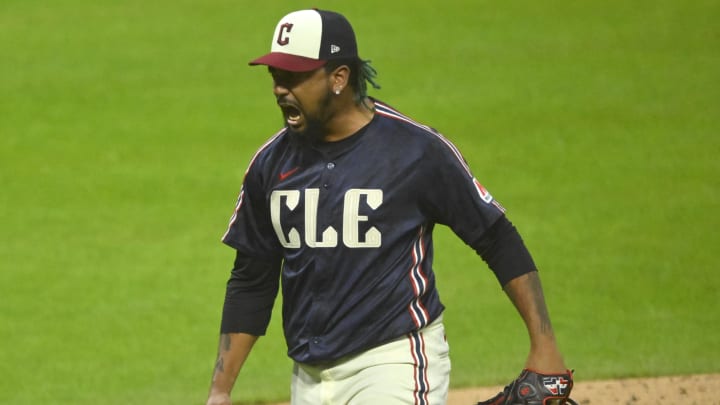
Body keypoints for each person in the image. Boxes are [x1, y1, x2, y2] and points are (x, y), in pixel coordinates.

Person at [206, 8, 571, 405]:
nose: (280, 89)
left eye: (294, 77)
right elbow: (252, 279)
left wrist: (544, 346)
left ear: (338, 78)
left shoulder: (414, 152)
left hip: (394, 361)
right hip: (308, 377)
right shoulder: (270, 165)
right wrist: (220, 392)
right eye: (276, 76)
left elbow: (495, 237)